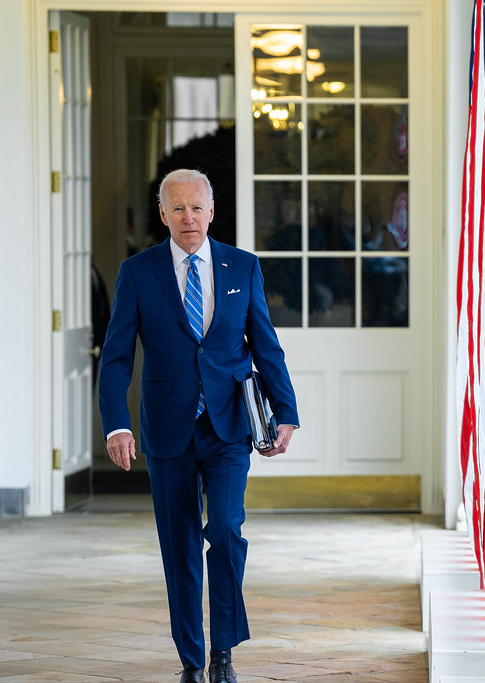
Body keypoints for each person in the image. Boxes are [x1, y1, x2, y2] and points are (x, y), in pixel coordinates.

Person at [98, 169, 300, 683]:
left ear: (212, 211)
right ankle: (191, 659)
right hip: (167, 428)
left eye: (197, 207)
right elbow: (117, 358)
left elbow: (265, 344)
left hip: (228, 425)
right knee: (179, 545)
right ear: (162, 215)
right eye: (177, 208)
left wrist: (286, 411)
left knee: (227, 532)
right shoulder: (137, 273)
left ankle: (224, 654)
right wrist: (117, 425)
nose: (188, 218)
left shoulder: (243, 266)